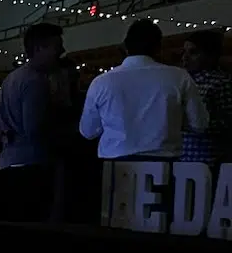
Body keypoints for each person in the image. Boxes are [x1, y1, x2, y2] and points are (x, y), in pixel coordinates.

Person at [79, 18, 208, 159]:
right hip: (164, 163)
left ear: (126, 47)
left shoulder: (101, 82)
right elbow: (199, 124)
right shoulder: (179, 77)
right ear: (158, 47)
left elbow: (88, 132)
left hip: (116, 166)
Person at [0, 21, 66, 222]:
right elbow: (35, 130)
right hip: (31, 166)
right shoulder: (35, 81)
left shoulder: (11, 79)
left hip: (9, 163)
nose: (62, 51)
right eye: (57, 47)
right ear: (39, 48)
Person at [180, 29, 231, 164]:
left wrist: (191, 122)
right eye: (184, 52)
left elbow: (227, 124)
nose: (185, 57)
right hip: (182, 159)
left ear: (210, 56)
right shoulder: (181, 81)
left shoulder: (221, 83)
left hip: (209, 159)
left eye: (193, 52)